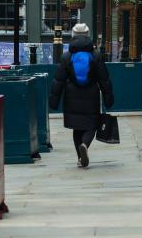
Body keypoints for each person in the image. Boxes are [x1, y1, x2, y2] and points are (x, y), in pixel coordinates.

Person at [48, 23, 114, 167]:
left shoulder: (67, 56)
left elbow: (58, 80)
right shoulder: (96, 55)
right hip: (91, 95)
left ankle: (80, 157)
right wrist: (108, 99)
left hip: (72, 96)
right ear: (88, 35)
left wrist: (53, 101)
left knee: (77, 127)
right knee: (91, 125)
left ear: (72, 35)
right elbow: (104, 79)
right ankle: (84, 145)